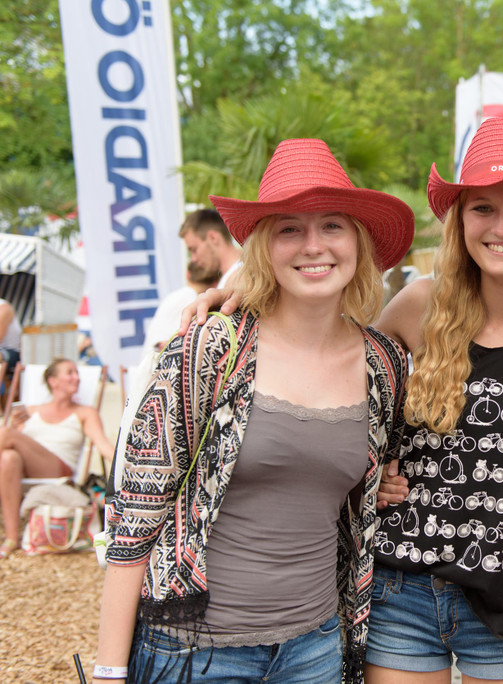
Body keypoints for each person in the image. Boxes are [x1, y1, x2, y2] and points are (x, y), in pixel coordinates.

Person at [180, 117, 503, 683]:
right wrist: (246, 286)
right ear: (460, 222)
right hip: (401, 588)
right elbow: (331, 361)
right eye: (483, 208)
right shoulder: (419, 304)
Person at [94, 138, 412, 683]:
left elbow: (372, 474)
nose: (313, 245)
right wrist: (108, 670)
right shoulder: (211, 348)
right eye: (289, 229)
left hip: (314, 650)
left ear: (358, 242)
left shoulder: (383, 364)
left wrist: (384, 483)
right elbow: (135, 517)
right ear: (264, 248)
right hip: (192, 652)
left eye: (332, 225)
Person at [0, 357, 116, 558]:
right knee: (9, 457)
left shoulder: (84, 413)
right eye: (70, 373)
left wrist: (128, 464)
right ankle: (11, 538)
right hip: (27, 467)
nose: (77, 378)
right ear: (53, 381)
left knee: (6, 434)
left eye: (77, 373)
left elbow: (102, 444)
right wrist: (15, 426)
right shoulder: (30, 411)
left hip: (59, 469)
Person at [179, 208, 243, 289]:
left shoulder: (238, 280)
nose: (193, 259)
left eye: (194, 249)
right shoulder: (235, 275)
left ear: (213, 238)